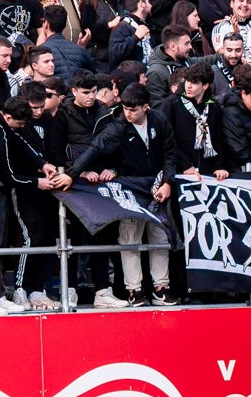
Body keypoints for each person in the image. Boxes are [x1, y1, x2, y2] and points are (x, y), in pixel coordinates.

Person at [69, 84, 177, 306]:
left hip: (156, 184)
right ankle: (133, 289)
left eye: (133, 109)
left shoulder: (159, 120)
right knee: (130, 237)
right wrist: (72, 174)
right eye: (125, 108)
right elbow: (96, 149)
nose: (128, 113)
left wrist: (167, 182)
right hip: (129, 187)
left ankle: (161, 287)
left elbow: (170, 152)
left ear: (145, 107)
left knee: (160, 236)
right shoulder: (118, 125)